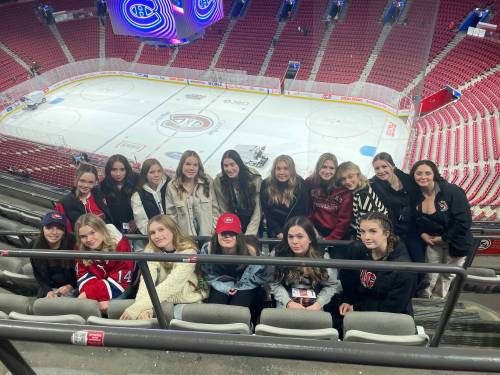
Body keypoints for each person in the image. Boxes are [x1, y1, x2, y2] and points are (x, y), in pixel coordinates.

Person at [120, 215, 208, 320]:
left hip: (185, 298)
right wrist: (145, 310)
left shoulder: (189, 251)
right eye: (152, 233)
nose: (157, 235)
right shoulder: (150, 250)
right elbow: (146, 282)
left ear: (173, 230)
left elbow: (172, 285)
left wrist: (137, 307)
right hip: (158, 298)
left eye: (161, 230)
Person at [410, 160, 472, 299]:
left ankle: (437, 306)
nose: (423, 177)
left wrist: (445, 238)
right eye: (419, 173)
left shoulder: (451, 191)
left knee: (446, 276)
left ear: (435, 174)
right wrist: (422, 234)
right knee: (429, 275)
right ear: (413, 175)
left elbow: (464, 221)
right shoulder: (415, 194)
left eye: (427, 173)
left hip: (456, 242)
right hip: (433, 242)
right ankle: (423, 303)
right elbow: (414, 219)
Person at [336, 212, 417, 320]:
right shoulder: (355, 250)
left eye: (373, 231)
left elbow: (393, 307)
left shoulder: (404, 269)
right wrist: (347, 300)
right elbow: (348, 282)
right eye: (362, 231)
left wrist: (357, 308)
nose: (366, 237)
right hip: (357, 305)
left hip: (387, 316)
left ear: (386, 234)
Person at [269, 216, 338, 310]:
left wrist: (318, 303)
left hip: (316, 300)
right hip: (286, 298)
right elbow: (273, 283)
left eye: (300, 236)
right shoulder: (278, 254)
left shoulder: (322, 256)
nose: (294, 241)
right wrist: (288, 303)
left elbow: (331, 285)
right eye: (290, 237)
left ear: (310, 238)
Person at [200, 213, 268, 308]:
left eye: (232, 232)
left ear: (239, 234)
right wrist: (225, 288)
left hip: (247, 284)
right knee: (215, 308)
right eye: (223, 232)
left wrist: (237, 288)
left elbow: (261, 276)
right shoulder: (208, 249)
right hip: (220, 283)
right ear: (217, 233)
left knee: (238, 308)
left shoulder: (251, 251)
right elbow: (208, 275)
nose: (227, 236)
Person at [370, 152, 424, 264]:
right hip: (394, 233)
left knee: (420, 262)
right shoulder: (373, 184)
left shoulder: (407, 179)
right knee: (403, 264)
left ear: (393, 166)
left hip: (413, 230)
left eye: (384, 166)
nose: (381, 171)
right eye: (377, 168)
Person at [74, 214, 134, 314]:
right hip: (98, 286)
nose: (88, 239)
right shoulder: (80, 247)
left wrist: (87, 294)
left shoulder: (121, 245)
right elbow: (83, 277)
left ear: (102, 230)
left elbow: (119, 283)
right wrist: (90, 295)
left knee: (109, 309)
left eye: (92, 233)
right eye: (83, 236)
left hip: (124, 285)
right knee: (82, 308)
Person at [166, 150, 219, 237]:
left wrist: (213, 230)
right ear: (181, 165)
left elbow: (215, 209)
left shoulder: (207, 181)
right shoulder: (172, 186)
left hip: (208, 236)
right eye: (188, 164)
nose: (191, 168)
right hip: (185, 238)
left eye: (195, 165)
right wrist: (178, 235)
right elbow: (171, 215)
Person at [213, 150, 262, 235]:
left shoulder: (253, 177)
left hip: (253, 222)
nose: (229, 169)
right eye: (226, 166)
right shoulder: (219, 180)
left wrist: (250, 233)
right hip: (233, 223)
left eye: (232, 164)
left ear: (239, 164)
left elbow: (258, 209)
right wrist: (234, 230)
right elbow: (224, 209)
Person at [260, 155, 309, 239]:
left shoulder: (300, 185)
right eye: (278, 169)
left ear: (292, 170)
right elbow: (266, 211)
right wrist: (278, 231)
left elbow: (302, 212)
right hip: (274, 229)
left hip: (294, 227)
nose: (281, 172)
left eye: (286, 169)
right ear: (274, 170)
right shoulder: (266, 184)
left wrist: (290, 232)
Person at [306, 153, 352, 240]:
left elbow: (344, 220)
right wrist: (310, 228)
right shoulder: (310, 182)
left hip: (336, 234)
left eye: (331, 168)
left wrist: (330, 240)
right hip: (314, 230)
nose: (327, 171)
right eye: (324, 167)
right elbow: (308, 209)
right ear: (318, 167)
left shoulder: (343, 189)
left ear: (336, 170)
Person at [30, 211, 77, 298]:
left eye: (59, 228)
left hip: (73, 287)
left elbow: (81, 271)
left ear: (64, 231)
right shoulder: (34, 246)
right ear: (43, 228)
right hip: (49, 288)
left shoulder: (73, 242)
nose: (54, 232)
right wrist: (47, 291)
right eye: (49, 227)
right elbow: (37, 274)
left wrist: (70, 286)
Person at [55, 163, 112, 232]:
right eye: (82, 181)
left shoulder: (100, 195)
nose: (86, 185)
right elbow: (66, 232)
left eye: (90, 182)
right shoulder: (63, 204)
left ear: (95, 182)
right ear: (76, 179)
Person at [336, 161, 387, 239]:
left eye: (350, 176)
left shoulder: (363, 196)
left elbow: (366, 227)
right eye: (343, 179)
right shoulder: (359, 188)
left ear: (358, 175)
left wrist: (358, 246)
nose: (347, 181)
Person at [101, 154, 139, 234]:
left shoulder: (137, 180)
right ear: (109, 170)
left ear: (127, 170)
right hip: (114, 230)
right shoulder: (103, 186)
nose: (118, 174)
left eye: (122, 169)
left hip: (137, 228)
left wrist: (137, 220)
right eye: (114, 170)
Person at [130, 159, 170, 235]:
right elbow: (142, 223)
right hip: (153, 237)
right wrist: (158, 234)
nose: (156, 175)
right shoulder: (138, 196)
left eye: (159, 171)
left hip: (173, 233)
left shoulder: (169, 186)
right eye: (152, 172)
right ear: (145, 175)